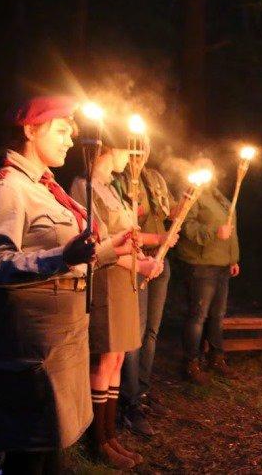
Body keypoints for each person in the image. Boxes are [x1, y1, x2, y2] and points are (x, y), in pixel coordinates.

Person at [0, 96, 129, 473]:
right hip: (34, 343)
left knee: (54, 444)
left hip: (63, 337)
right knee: (32, 449)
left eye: (71, 131)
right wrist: (61, 258)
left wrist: (106, 252)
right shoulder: (10, 188)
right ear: (30, 129)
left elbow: (71, 256)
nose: (71, 139)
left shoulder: (46, 188)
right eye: (61, 130)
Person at [71, 136, 163, 469]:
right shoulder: (85, 187)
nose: (130, 157)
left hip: (125, 282)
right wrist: (139, 264)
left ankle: (110, 435)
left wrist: (148, 257)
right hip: (108, 280)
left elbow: (128, 236)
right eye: (125, 150)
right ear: (108, 151)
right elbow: (100, 244)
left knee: (118, 360)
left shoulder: (112, 188)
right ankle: (98, 439)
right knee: (105, 359)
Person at [118, 139, 179, 435]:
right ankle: (128, 402)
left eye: (147, 147)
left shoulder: (154, 177)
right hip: (135, 263)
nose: (142, 154)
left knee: (152, 331)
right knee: (135, 333)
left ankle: (142, 391)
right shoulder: (119, 179)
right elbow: (123, 230)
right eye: (137, 147)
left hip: (161, 261)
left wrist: (188, 201)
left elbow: (167, 212)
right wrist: (157, 239)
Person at [177, 157, 240, 383]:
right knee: (198, 316)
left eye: (211, 167)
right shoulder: (191, 194)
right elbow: (186, 226)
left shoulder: (218, 197)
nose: (208, 171)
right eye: (203, 167)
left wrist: (233, 258)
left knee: (217, 316)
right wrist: (214, 231)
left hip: (221, 264)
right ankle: (191, 363)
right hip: (201, 265)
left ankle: (216, 357)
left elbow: (230, 229)